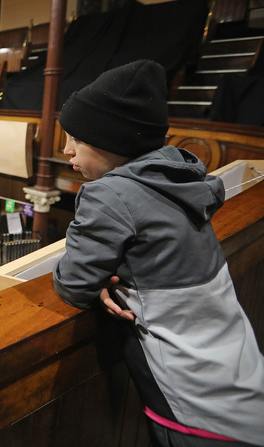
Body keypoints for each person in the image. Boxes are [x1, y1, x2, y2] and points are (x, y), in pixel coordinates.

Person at [52, 60, 264, 446]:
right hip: (241, 372)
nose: (65, 149)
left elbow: (72, 284)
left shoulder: (108, 194)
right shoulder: (180, 172)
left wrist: (96, 278)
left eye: (76, 138)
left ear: (109, 140)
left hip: (193, 402)